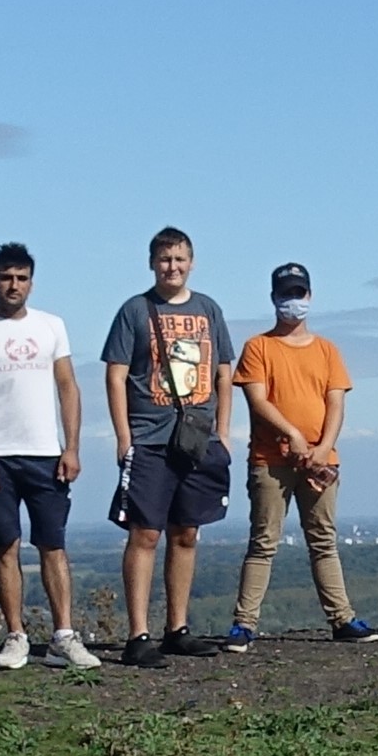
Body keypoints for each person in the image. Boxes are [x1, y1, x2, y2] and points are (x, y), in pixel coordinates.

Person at [0, 242, 92, 670]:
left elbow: (68, 387)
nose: (14, 286)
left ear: (31, 282)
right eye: (7, 278)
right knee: (5, 544)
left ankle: (63, 636)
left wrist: (72, 447)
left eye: (22, 278)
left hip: (46, 454)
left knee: (53, 544)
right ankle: (15, 636)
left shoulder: (52, 326)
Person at [99, 227, 238, 664]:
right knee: (145, 533)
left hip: (197, 438)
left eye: (179, 259)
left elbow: (223, 374)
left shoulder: (208, 309)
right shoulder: (134, 311)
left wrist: (225, 432)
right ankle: (138, 635)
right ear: (152, 263)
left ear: (191, 262)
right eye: (164, 260)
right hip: (150, 436)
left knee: (187, 533)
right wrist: (124, 436)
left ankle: (177, 627)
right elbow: (116, 375)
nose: (172, 267)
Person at [226, 262, 373, 650]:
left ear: (309, 296)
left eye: (299, 293)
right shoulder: (259, 347)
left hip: (322, 461)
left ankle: (342, 619)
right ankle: (244, 623)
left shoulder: (327, 350)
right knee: (264, 541)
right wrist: (291, 433)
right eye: (286, 294)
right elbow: (257, 400)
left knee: (323, 539)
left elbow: (336, 403)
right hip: (270, 459)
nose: (293, 301)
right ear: (274, 298)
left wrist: (322, 448)